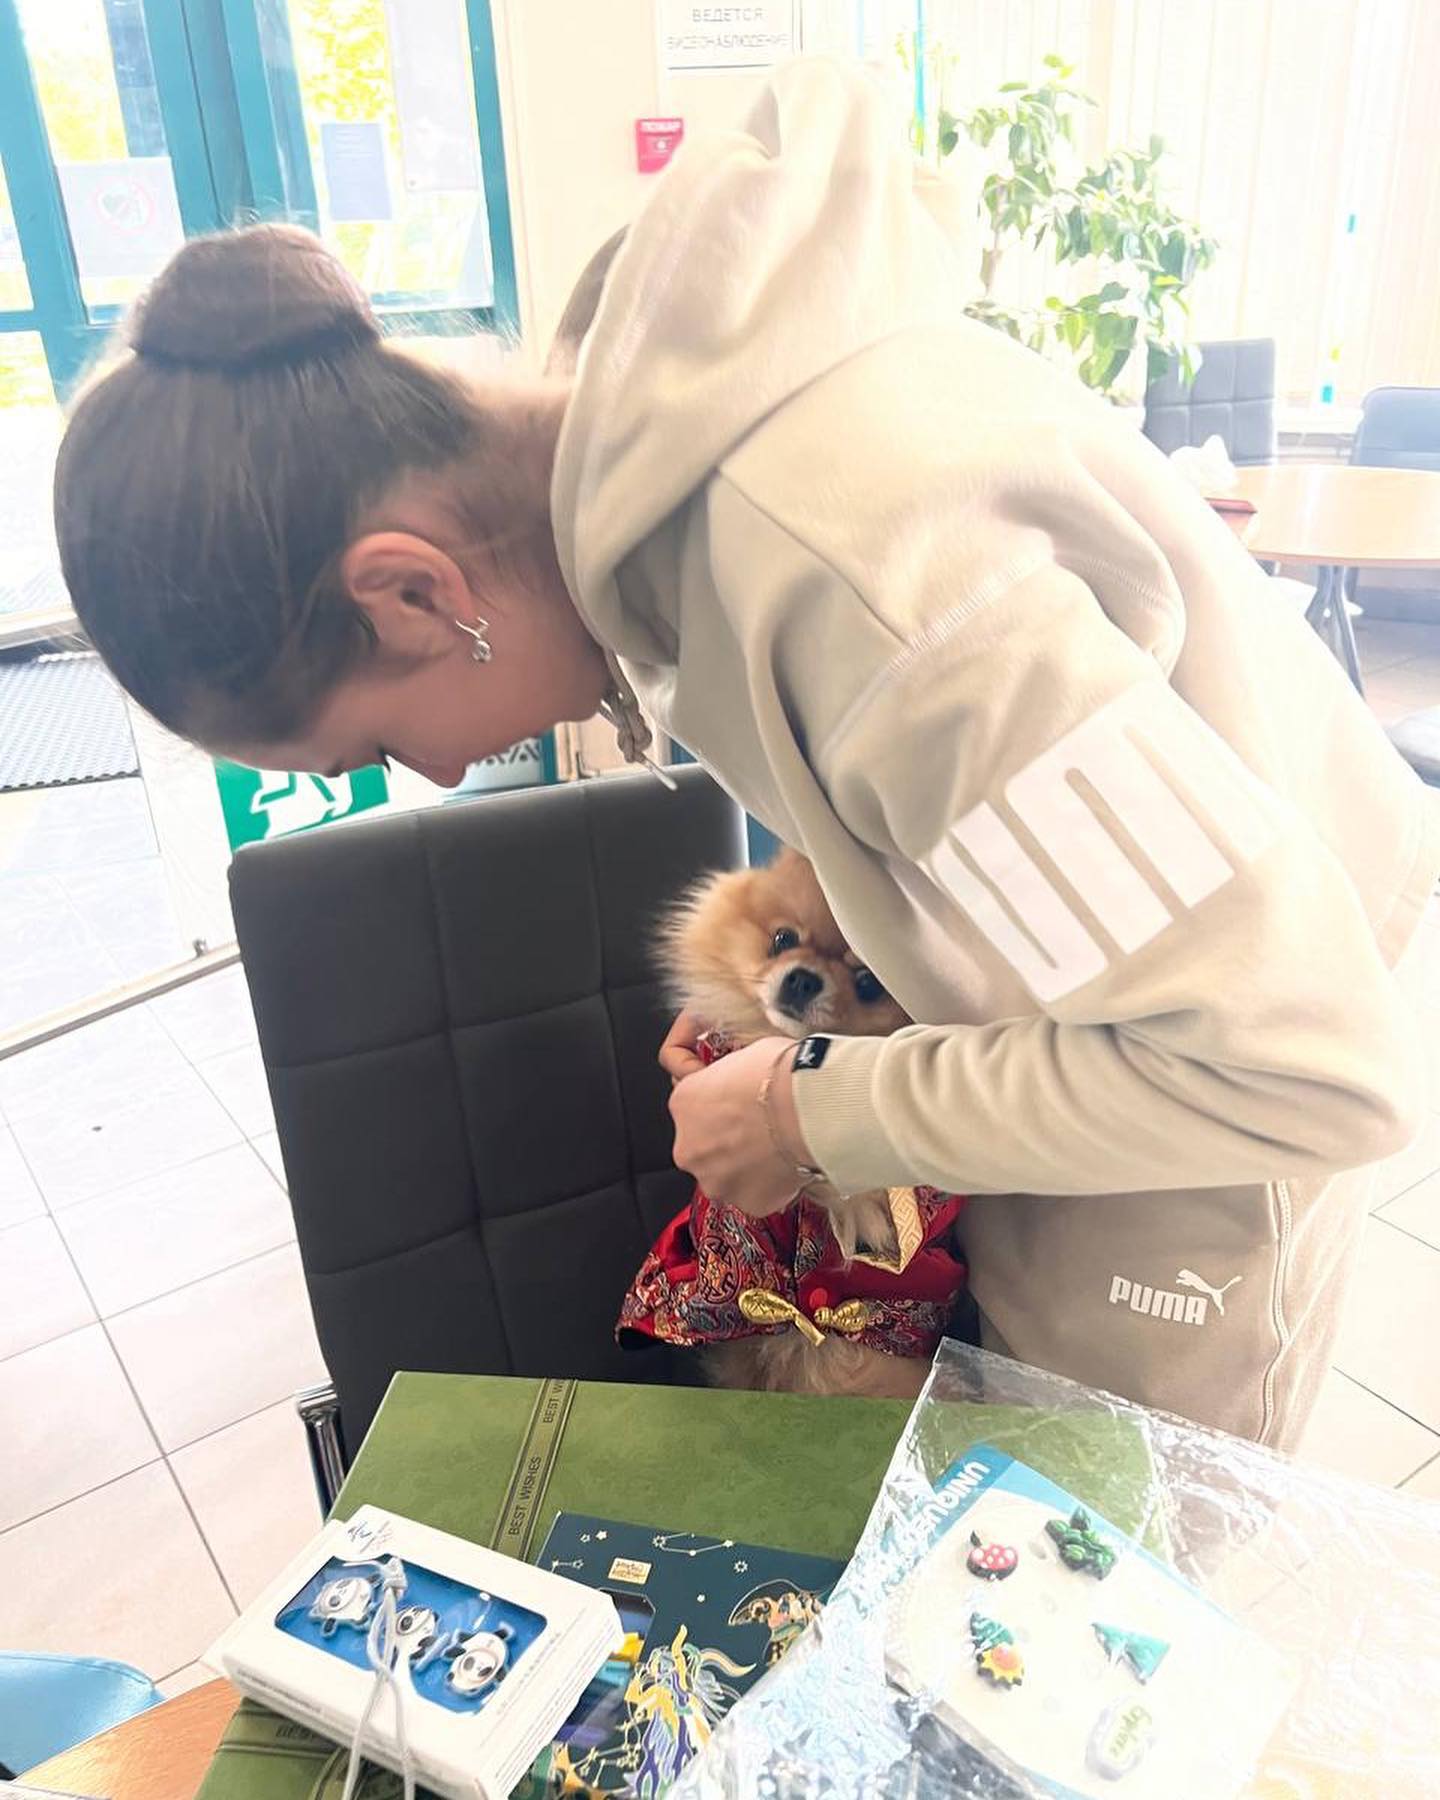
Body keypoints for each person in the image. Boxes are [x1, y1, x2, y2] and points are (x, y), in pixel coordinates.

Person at [54, 62, 1435, 1449]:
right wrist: (791, 1051)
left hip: (1195, 1161)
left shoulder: (869, 596)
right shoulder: (686, 514)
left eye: (378, 741)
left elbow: (1297, 1070)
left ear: (414, 593)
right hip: (1097, 1081)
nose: (439, 779)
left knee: (1104, 1553)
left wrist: (805, 1111)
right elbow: (976, 877)